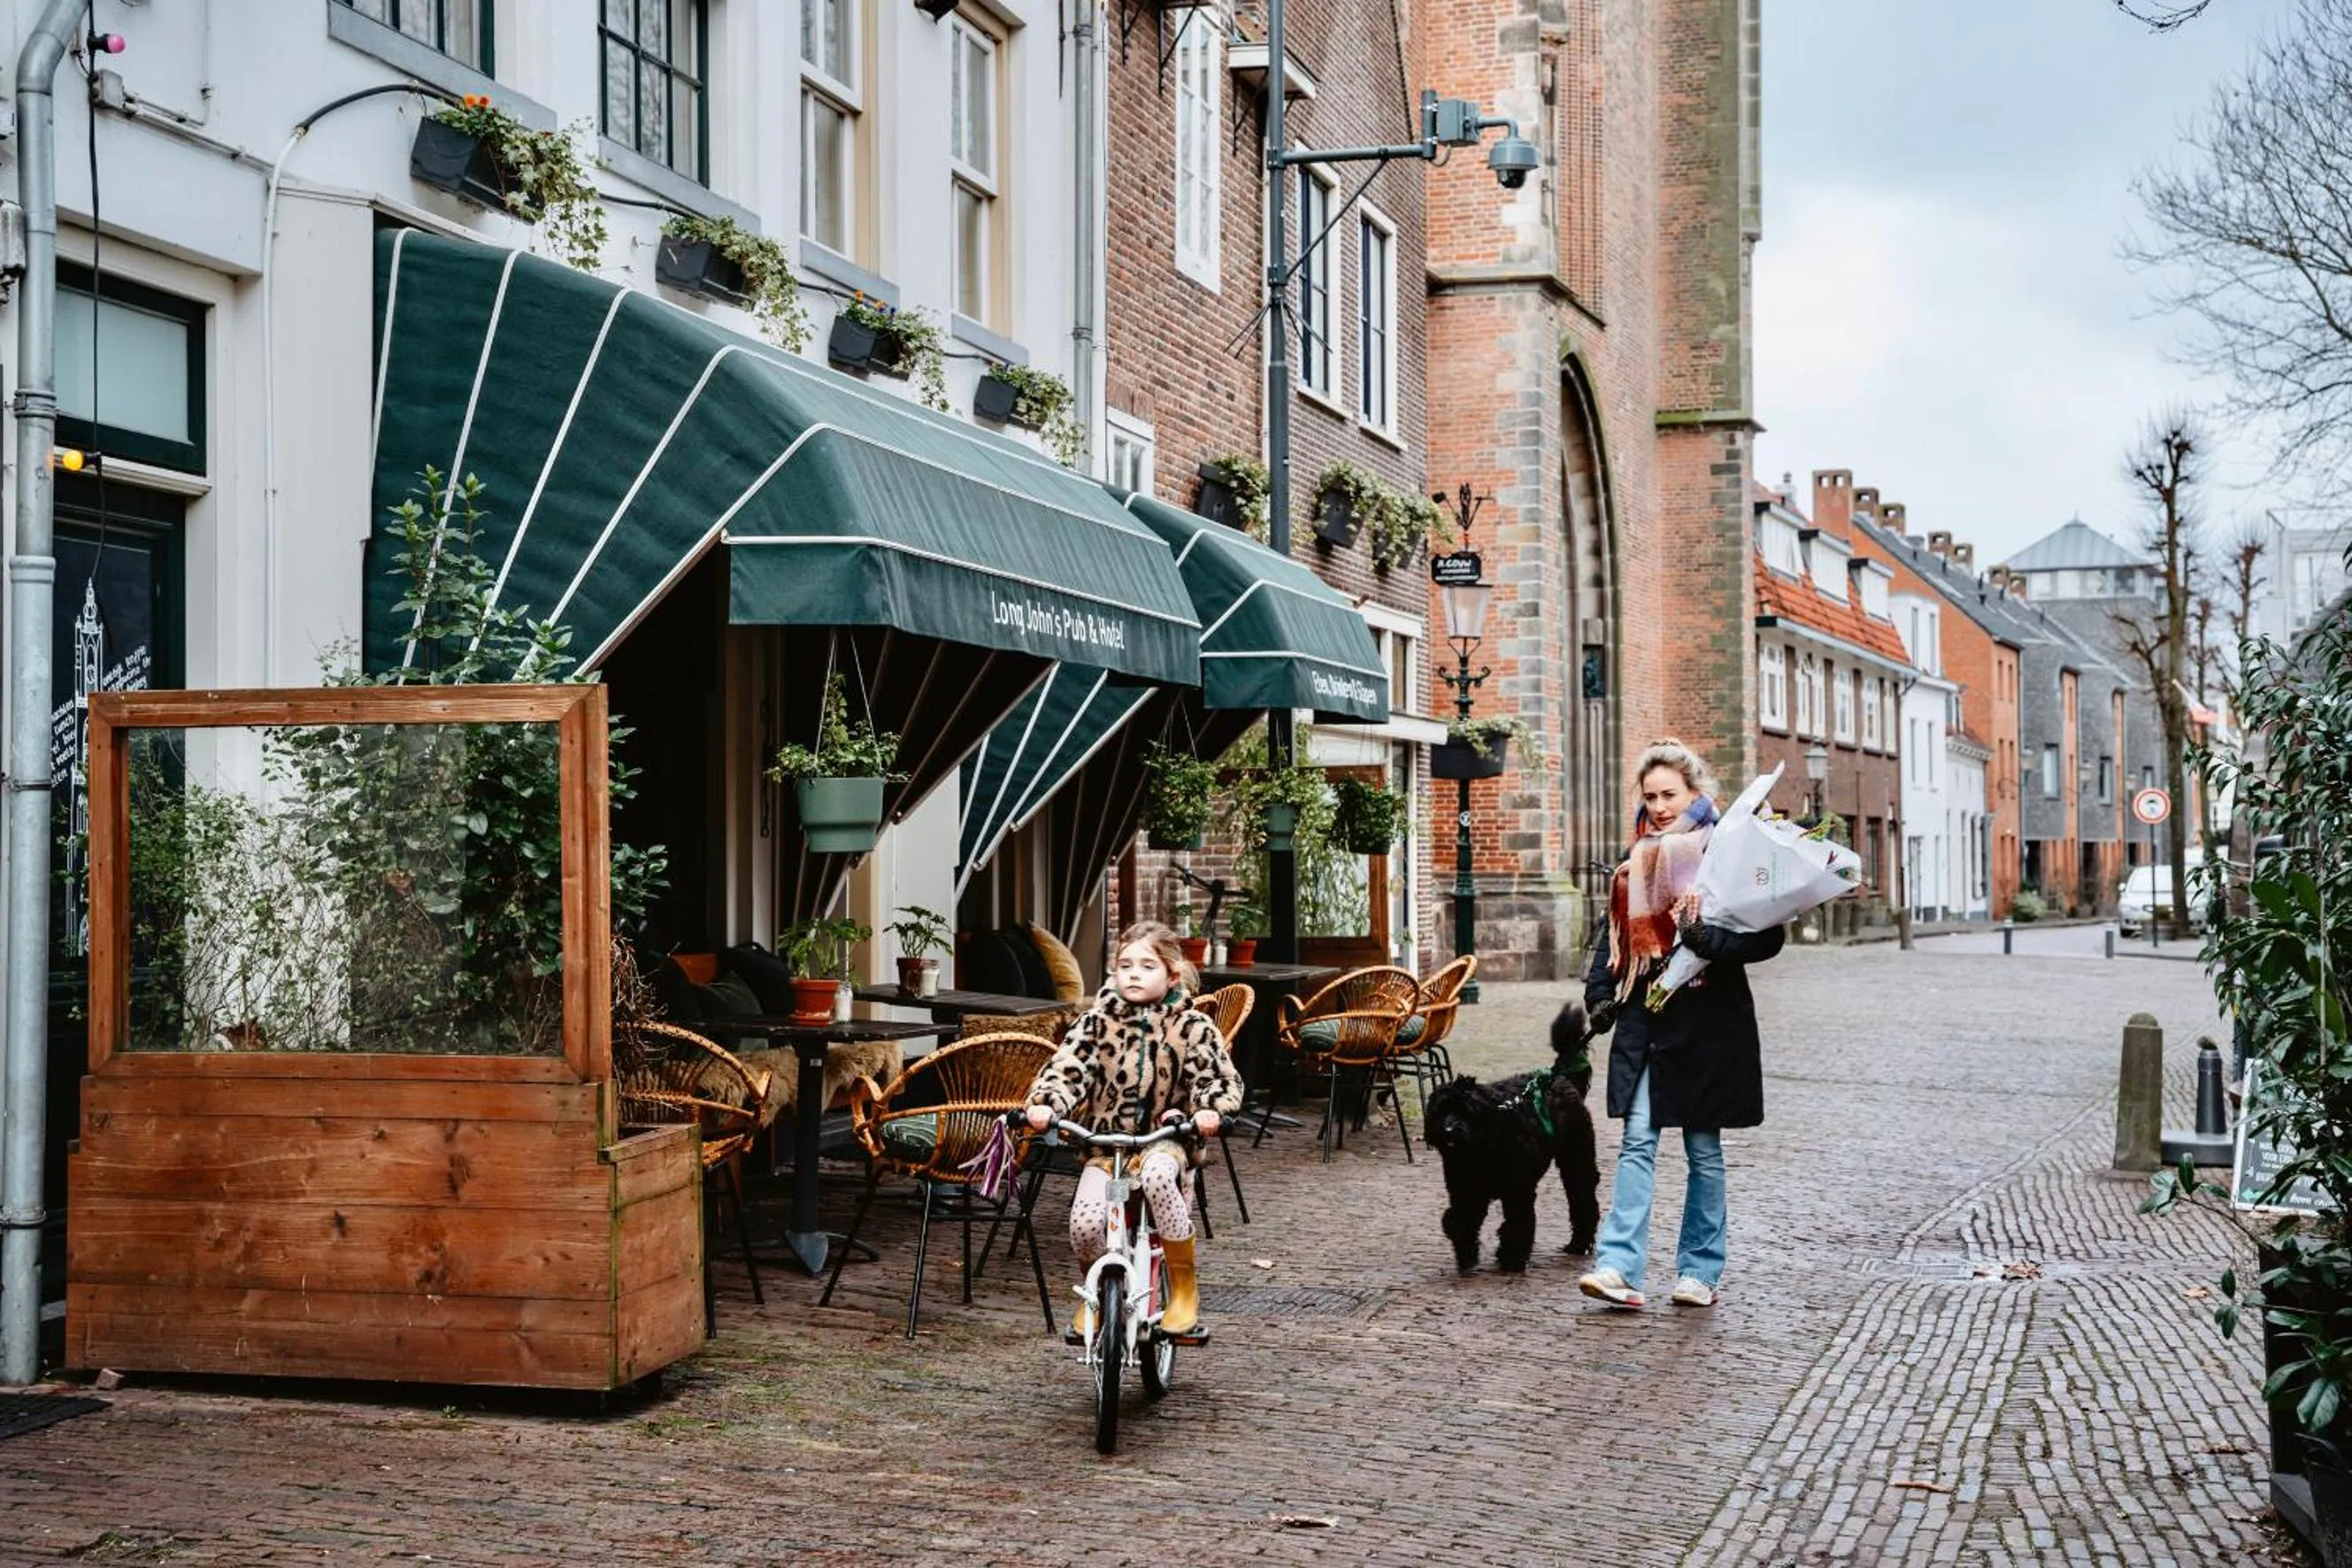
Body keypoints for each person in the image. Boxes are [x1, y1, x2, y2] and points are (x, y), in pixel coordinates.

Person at [1576, 739, 1783, 1311]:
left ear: (1694, 792)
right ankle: (1618, 1267)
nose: (1661, 806)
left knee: (1702, 1148)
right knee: (1638, 1139)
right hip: (1648, 1021)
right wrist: (1599, 996)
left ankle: (1700, 1272)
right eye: (1651, 796)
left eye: (1670, 794)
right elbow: (1612, 938)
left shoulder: (1728, 852)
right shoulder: (1635, 858)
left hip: (1708, 1024)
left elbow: (1767, 937)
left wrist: (1702, 939)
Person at [1025, 921, 1244, 1337]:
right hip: (1107, 1147)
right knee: (1085, 1225)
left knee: (1159, 1176)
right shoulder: (1095, 1025)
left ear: (1172, 975)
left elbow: (1216, 1077)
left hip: (1165, 1142)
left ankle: (1183, 1289)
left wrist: (1209, 1110)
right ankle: (1094, 1294)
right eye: (1125, 965)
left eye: (1147, 965)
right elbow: (1067, 1069)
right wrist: (1046, 1104)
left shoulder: (1192, 1027)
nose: (1134, 974)